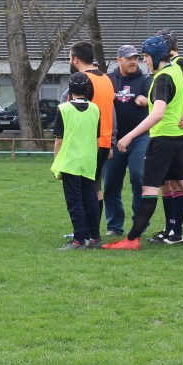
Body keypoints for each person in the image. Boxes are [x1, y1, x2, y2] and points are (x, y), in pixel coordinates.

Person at [104, 36, 183, 250]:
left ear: (155, 56)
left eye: (145, 56)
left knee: (149, 189)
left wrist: (129, 136)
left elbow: (158, 113)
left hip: (162, 140)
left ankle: (131, 240)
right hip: (179, 138)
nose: (144, 61)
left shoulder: (162, 78)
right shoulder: (176, 70)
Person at [149, 28, 183, 243]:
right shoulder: (167, 66)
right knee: (167, 183)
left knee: (176, 183)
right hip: (166, 129)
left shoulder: (179, 62)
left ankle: (176, 231)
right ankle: (170, 229)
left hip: (174, 131)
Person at [101, 45, 149, 237]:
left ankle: (140, 223)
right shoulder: (108, 80)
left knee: (138, 177)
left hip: (139, 138)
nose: (133, 62)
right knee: (110, 183)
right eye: (129, 58)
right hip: (113, 139)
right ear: (119, 60)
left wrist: (146, 100)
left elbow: (156, 101)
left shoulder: (145, 80)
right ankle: (114, 226)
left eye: (135, 58)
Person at [52, 72, 102, 250]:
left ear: (70, 90)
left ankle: (79, 239)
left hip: (70, 162)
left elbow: (59, 140)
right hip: (88, 162)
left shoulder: (63, 109)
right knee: (90, 199)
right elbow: (97, 139)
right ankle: (94, 237)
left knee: (74, 202)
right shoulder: (95, 109)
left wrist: (56, 164)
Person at [69, 41, 116, 228]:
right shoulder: (106, 79)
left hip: (87, 143)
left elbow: (74, 113)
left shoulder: (82, 81)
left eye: (70, 58)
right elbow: (110, 112)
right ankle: (92, 231)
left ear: (75, 59)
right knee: (95, 188)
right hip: (103, 142)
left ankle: (86, 232)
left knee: (83, 190)